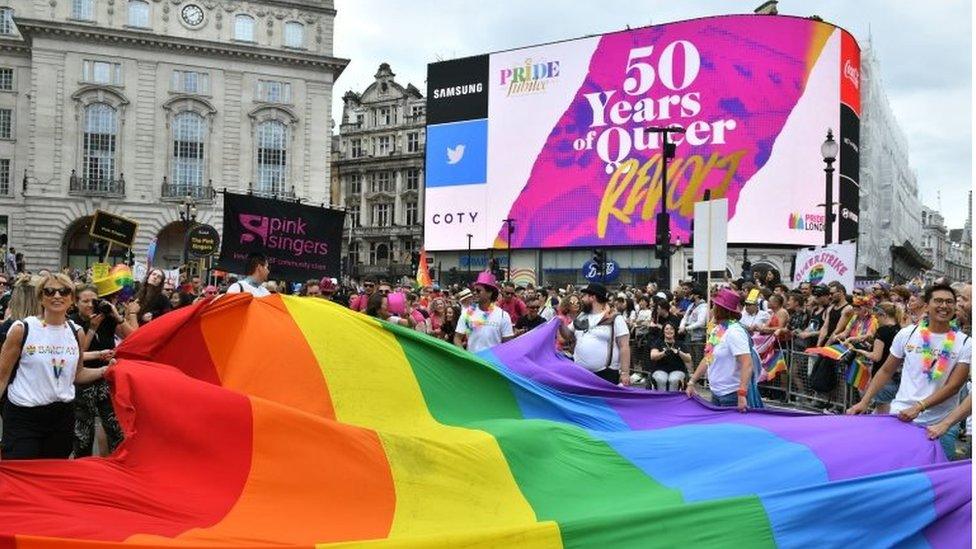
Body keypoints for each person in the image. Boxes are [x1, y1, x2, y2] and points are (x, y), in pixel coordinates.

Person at [848, 284, 972, 460]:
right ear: (926, 306)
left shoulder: (966, 343)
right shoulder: (907, 334)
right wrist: (865, 401)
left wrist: (919, 407)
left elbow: (953, 386)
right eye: (938, 301)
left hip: (940, 425)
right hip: (901, 417)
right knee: (894, 466)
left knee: (937, 478)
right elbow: (886, 370)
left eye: (949, 302)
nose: (944, 306)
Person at [0, 274, 110, 459]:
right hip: (23, 415)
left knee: (52, 476)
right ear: (41, 298)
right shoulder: (22, 329)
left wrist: (105, 370)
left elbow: (78, 373)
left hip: (61, 416)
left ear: (72, 299)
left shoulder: (77, 332)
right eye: (49, 291)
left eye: (64, 291)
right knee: (23, 473)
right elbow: (2, 376)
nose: (57, 296)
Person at [70, 281, 138, 457]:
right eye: (85, 301)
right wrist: (92, 328)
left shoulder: (107, 318)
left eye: (93, 300)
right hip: (83, 381)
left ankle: (118, 464)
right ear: (76, 302)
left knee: (116, 428)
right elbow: (77, 354)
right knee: (84, 433)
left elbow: (133, 339)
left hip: (107, 379)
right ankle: (83, 469)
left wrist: (116, 315)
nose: (90, 305)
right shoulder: (71, 322)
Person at [686, 288, 753, 411]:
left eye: (714, 306)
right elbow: (708, 359)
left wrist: (742, 394)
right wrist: (692, 382)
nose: (711, 310)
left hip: (731, 395)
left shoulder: (735, 332)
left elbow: (747, 363)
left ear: (722, 310)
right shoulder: (719, 329)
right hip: (717, 393)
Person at [558, 283, 631, 386]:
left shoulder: (614, 318)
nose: (582, 299)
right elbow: (568, 335)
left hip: (606, 375)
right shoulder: (582, 316)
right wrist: (560, 324)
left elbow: (624, 346)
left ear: (592, 297)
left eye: (584, 296)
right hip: (581, 373)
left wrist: (625, 373)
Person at [851, 302, 901, 414]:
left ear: (883, 315)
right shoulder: (900, 329)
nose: (876, 320)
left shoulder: (882, 331)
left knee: (883, 412)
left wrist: (860, 351)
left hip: (883, 376)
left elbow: (876, 356)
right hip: (897, 375)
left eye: (877, 317)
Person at [454, 271, 514, 353]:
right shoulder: (467, 313)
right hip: (473, 361)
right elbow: (457, 338)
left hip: (493, 363)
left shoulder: (503, 315)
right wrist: (464, 355)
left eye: (478, 291)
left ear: (489, 293)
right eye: (474, 290)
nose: (474, 293)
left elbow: (508, 343)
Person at [649, 323, 690, 391]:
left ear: (674, 331)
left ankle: (672, 399)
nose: (669, 331)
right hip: (660, 369)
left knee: (673, 379)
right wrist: (663, 353)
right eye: (667, 329)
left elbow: (688, 359)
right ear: (663, 331)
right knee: (661, 379)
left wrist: (679, 353)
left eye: (671, 329)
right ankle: (661, 398)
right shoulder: (658, 343)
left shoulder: (680, 343)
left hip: (677, 369)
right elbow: (653, 356)